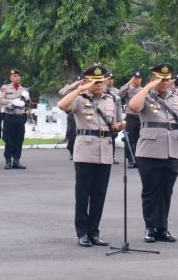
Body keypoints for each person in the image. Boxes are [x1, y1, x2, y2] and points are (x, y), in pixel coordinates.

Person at [128, 64, 178, 243]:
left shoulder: (176, 99)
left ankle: (162, 228)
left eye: (167, 79)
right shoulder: (146, 96)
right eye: (161, 79)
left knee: (166, 192)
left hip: (171, 150)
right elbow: (133, 107)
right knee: (151, 192)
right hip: (149, 151)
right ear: (154, 79)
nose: (165, 82)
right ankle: (149, 228)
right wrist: (148, 87)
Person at [57, 65, 122, 247]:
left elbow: (115, 121)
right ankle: (82, 232)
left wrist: (119, 125)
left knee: (99, 194)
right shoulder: (79, 99)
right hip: (85, 150)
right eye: (95, 81)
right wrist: (79, 88)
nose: (99, 84)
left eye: (101, 81)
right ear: (86, 81)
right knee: (83, 194)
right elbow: (62, 105)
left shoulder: (110, 99)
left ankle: (94, 231)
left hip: (106, 150)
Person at [0, 69, 30, 169]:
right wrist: (13, 102)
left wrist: (27, 99)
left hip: (20, 118)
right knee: (9, 140)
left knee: (19, 140)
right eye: (15, 76)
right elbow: (0, 100)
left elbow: (28, 104)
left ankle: (16, 160)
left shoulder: (24, 90)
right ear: (11, 78)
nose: (17, 77)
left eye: (18, 76)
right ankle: (8, 160)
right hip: (9, 117)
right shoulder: (5, 88)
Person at [118, 72, 143, 169]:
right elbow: (119, 94)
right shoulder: (128, 89)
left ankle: (136, 159)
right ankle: (130, 159)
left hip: (140, 117)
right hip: (130, 116)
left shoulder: (142, 90)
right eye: (136, 78)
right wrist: (129, 83)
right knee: (129, 139)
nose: (138, 80)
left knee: (138, 140)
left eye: (139, 78)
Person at [59, 77, 81, 160]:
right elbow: (62, 93)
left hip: (82, 114)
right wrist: (74, 85)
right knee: (71, 133)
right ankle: (71, 151)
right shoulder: (70, 88)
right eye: (77, 81)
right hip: (72, 113)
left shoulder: (86, 89)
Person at [104, 73, 122, 165]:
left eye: (112, 79)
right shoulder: (100, 89)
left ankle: (112, 156)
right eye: (109, 78)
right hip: (103, 117)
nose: (111, 80)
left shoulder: (116, 91)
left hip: (113, 117)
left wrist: (119, 119)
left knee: (113, 137)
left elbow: (118, 106)